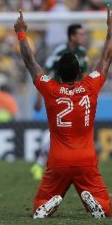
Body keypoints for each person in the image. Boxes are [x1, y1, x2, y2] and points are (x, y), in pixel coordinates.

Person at [14, 6, 112, 219]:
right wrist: (111, 30)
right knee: (106, 208)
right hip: (86, 160)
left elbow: (31, 63)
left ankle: (50, 203)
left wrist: (21, 34)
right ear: (80, 72)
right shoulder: (90, 86)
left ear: (58, 74)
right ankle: (94, 204)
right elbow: (106, 59)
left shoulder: (51, 89)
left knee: (38, 205)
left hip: (58, 161)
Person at [30, 23, 89, 180]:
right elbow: (44, 73)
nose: (84, 37)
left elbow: (84, 77)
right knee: (56, 132)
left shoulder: (82, 53)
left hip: (75, 96)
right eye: (81, 34)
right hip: (59, 96)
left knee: (71, 131)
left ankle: (57, 165)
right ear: (72, 36)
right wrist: (38, 97)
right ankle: (40, 164)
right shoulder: (59, 52)